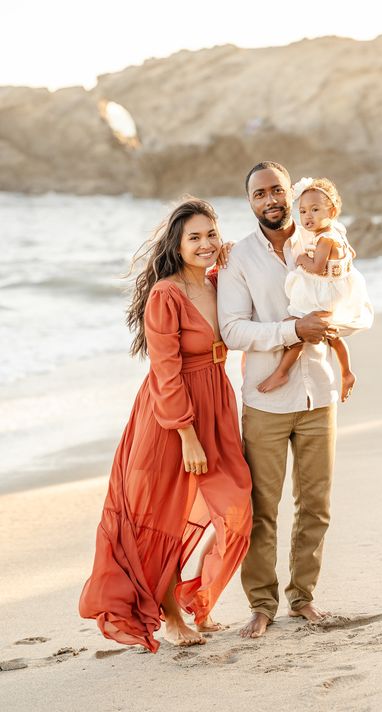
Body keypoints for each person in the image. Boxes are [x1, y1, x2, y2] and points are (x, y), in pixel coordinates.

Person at [79, 198, 253, 653]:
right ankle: (171, 613)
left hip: (216, 398)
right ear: (177, 244)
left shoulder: (220, 282)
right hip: (171, 416)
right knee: (166, 516)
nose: (205, 244)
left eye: (211, 234)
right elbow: (165, 369)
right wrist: (187, 434)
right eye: (194, 237)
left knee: (236, 503)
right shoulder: (166, 294)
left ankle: (195, 596)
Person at [217, 162, 373, 639]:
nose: (271, 199)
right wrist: (293, 330)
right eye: (259, 193)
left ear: (292, 192)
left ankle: (303, 598)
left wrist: (325, 326)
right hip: (265, 402)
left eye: (277, 190)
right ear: (250, 202)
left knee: (316, 505)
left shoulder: (325, 239)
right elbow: (233, 329)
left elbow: (358, 308)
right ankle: (261, 605)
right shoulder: (238, 258)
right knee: (261, 509)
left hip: (320, 393)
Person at [257, 176, 372, 401]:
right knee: (332, 336)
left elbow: (318, 268)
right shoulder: (337, 233)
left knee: (299, 329)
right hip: (333, 292)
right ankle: (347, 372)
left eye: (315, 209)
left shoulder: (325, 240)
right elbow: (350, 255)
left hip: (324, 295)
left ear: (331, 211)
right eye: (303, 211)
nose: (308, 216)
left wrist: (301, 259)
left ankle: (281, 373)